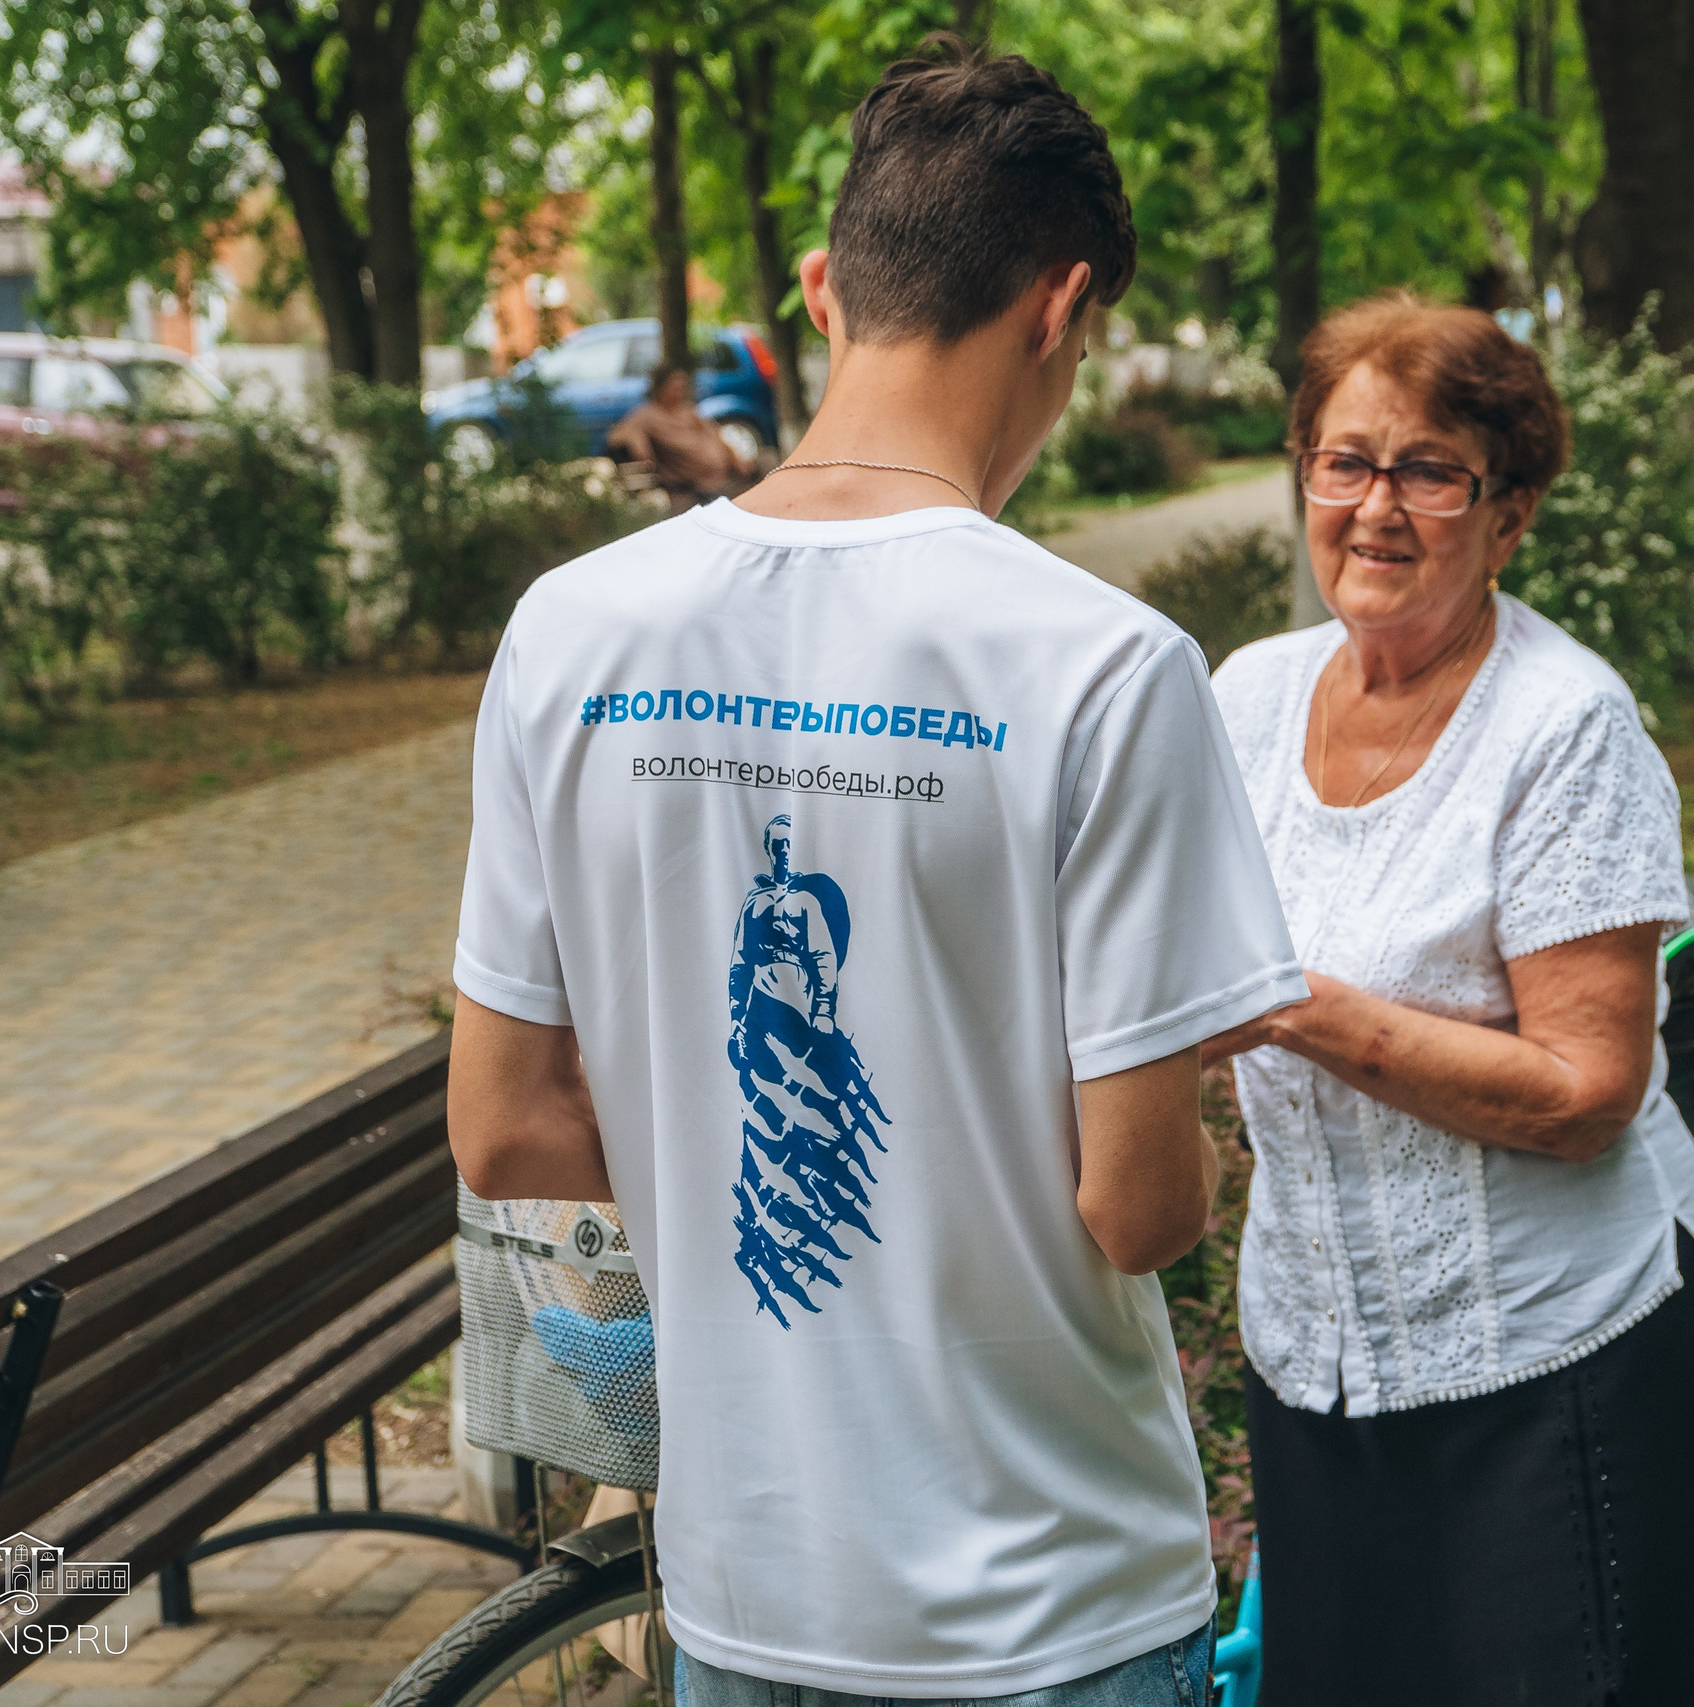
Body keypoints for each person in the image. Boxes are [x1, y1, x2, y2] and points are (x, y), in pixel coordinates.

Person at [444, 41, 1306, 1707]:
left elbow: (502, 1123)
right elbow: (1140, 1209)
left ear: (825, 291)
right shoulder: (1106, 666)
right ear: (1060, 311)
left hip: (748, 1591)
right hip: (1052, 1599)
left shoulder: (571, 630)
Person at [1202, 293, 1694, 1707]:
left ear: (1507, 515)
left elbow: (1586, 1092)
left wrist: (1288, 1002)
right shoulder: (1246, 703)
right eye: (1345, 461)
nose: (1376, 507)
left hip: (1560, 1366)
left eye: (1429, 470)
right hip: (1318, 1366)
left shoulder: (1564, 727)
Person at [606, 361, 746, 511]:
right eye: (675, 387)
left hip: (729, 474)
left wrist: (735, 459)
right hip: (697, 486)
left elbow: (716, 434)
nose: (680, 392)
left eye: (682, 387)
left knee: (768, 462)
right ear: (660, 389)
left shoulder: (688, 411)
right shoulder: (648, 415)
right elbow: (616, 435)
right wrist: (636, 438)